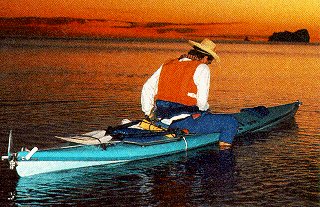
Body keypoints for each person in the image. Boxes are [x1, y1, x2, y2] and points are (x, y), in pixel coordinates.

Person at [141, 38, 238, 147]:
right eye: (209, 61)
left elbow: (147, 88)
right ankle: (224, 157)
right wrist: (204, 111)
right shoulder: (202, 67)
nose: (208, 64)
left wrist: (148, 113)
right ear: (205, 58)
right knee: (230, 122)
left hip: (160, 119)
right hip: (183, 122)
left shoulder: (167, 65)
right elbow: (201, 103)